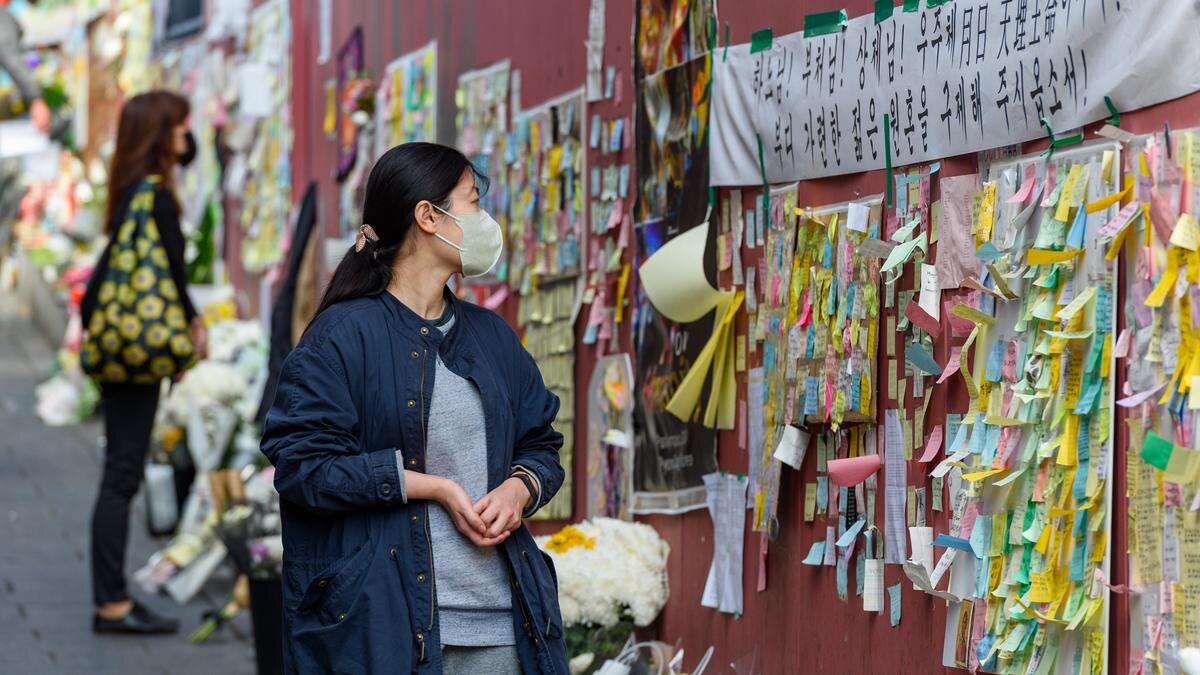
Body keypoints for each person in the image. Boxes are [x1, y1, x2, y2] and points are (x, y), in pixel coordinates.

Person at [261, 142, 568, 674]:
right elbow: (303, 467)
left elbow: (541, 443)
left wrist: (521, 488)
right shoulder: (341, 337)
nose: (484, 220)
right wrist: (431, 487)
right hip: (383, 629)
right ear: (428, 216)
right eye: (473, 202)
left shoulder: (491, 336)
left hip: (501, 627)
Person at [81, 90, 204, 635]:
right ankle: (110, 604)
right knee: (122, 474)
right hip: (137, 356)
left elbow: (98, 286)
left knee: (119, 472)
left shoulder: (128, 194)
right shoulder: (155, 198)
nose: (187, 135)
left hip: (118, 351)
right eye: (179, 126)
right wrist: (189, 328)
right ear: (161, 135)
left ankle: (111, 598)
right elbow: (173, 279)